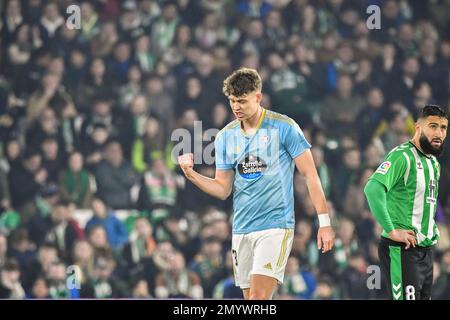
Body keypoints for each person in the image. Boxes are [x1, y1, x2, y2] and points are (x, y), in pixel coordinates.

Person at [178, 68, 335, 300]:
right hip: (241, 228)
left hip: (275, 225)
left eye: (241, 101)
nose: (236, 107)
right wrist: (191, 175)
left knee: (257, 300)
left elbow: (310, 175)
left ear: (258, 97)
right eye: (232, 101)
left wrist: (324, 222)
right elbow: (223, 189)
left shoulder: (284, 127)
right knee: (253, 300)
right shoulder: (225, 136)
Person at [364, 104, 448, 300]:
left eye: (443, 128)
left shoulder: (434, 163)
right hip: (402, 250)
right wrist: (392, 230)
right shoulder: (402, 156)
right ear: (418, 127)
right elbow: (372, 189)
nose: (439, 133)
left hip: (426, 251)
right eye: (433, 126)